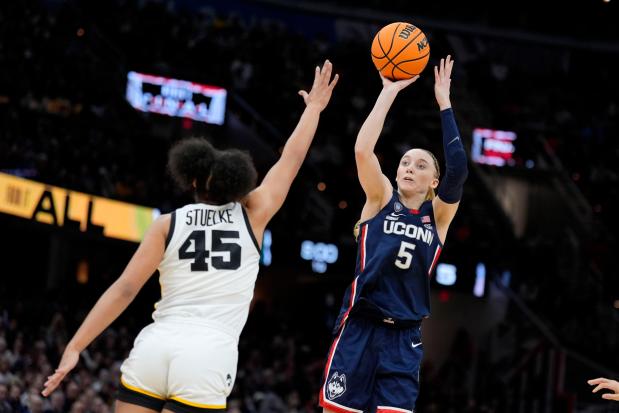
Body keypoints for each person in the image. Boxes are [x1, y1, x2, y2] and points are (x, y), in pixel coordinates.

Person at [41, 60, 339, 413]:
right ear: (237, 183)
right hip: (207, 355)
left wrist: (76, 345)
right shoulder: (252, 213)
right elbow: (290, 159)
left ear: (192, 180)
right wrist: (314, 110)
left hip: (155, 345)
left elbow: (124, 289)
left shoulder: (167, 223)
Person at [319, 55, 467, 413]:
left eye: (420, 165)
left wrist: (444, 102)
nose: (409, 167)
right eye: (405, 162)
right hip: (360, 327)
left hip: (404, 337)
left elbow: (458, 167)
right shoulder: (379, 197)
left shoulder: (439, 216)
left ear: (433, 181)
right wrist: (388, 90)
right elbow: (362, 150)